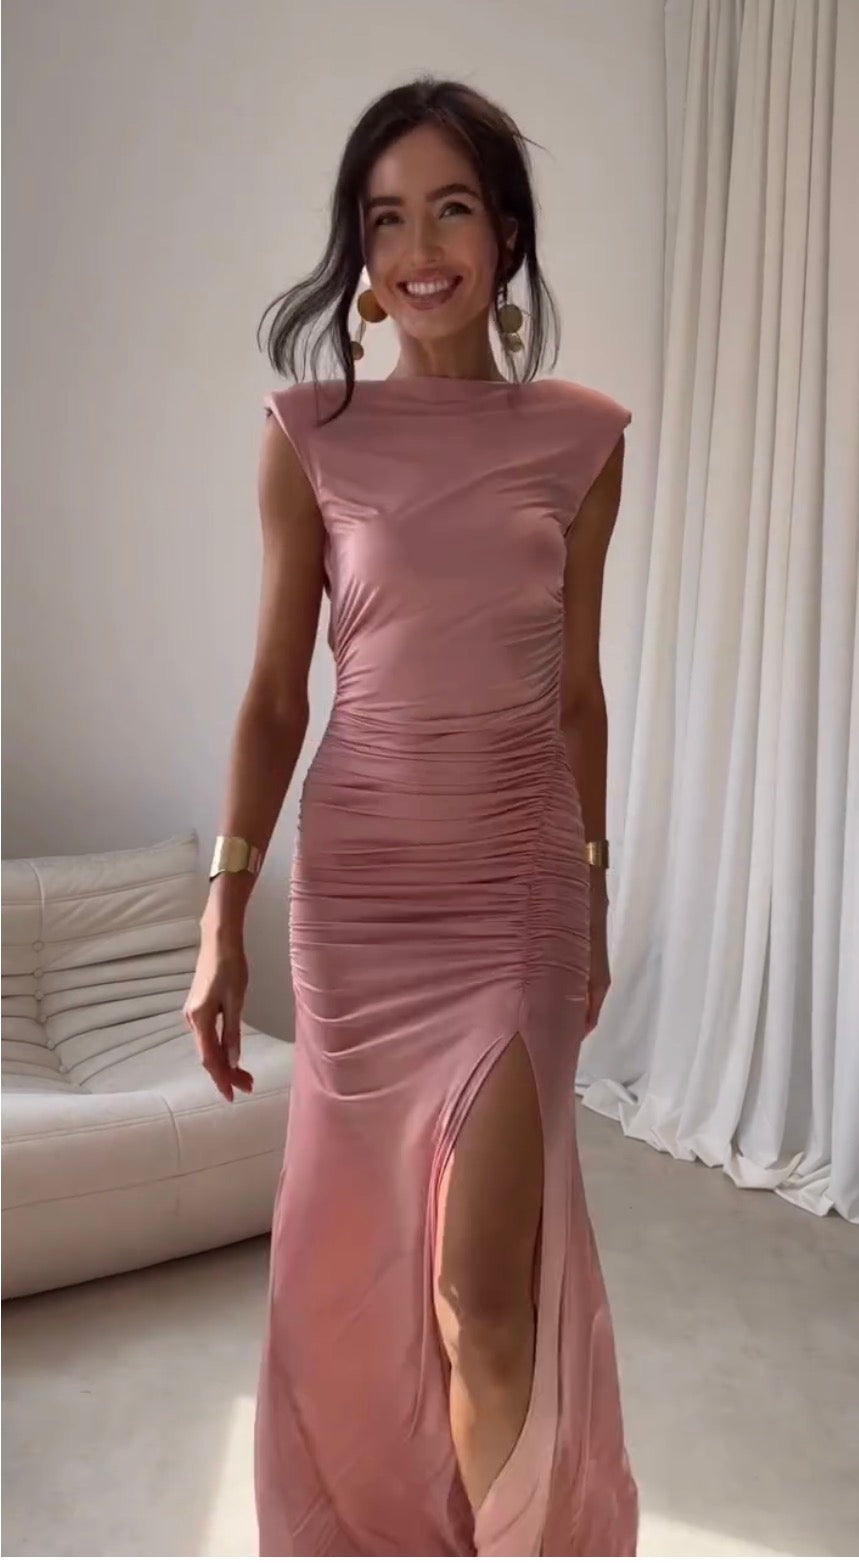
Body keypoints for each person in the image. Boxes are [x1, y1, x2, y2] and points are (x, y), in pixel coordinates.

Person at [184, 76, 638, 1557]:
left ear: (505, 234)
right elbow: (274, 696)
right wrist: (221, 913)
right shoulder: (310, 434)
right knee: (361, 1269)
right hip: (360, 898)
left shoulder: (583, 439)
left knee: (480, 1303)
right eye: (386, 221)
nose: (419, 248)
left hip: (515, 890)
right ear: (362, 257)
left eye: (450, 209)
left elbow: (579, 697)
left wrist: (597, 890)